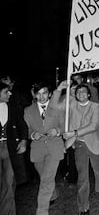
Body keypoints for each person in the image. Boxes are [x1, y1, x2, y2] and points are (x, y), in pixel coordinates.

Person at [50, 81, 99, 215]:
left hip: (94, 143)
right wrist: (59, 89)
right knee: (82, 177)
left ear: (89, 94)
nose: (80, 94)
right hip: (80, 144)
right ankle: (83, 206)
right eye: (78, 92)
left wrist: (74, 132)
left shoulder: (96, 107)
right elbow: (53, 106)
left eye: (83, 91)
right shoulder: (71, 104)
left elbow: (93, 126)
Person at [24, 83, 64, 215]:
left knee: (46, 179)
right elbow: (27, 128)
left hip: (54, 147)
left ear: (50, 93)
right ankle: (53, 193)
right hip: (38, 149)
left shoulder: (57, 108)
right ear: (34, 95)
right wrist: (32, 134)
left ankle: (42, 211)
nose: (41, 97)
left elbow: (66, 126)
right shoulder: (28, 110)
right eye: (38, 94)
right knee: (45, 177)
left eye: (45, 93)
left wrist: (58, 131)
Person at [0, 82, 28, 215]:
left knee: (9, 183)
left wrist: (23, 141)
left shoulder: (13, 107)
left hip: (10, 148)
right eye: (6, 92)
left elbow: (22, 125)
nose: (10, 93)